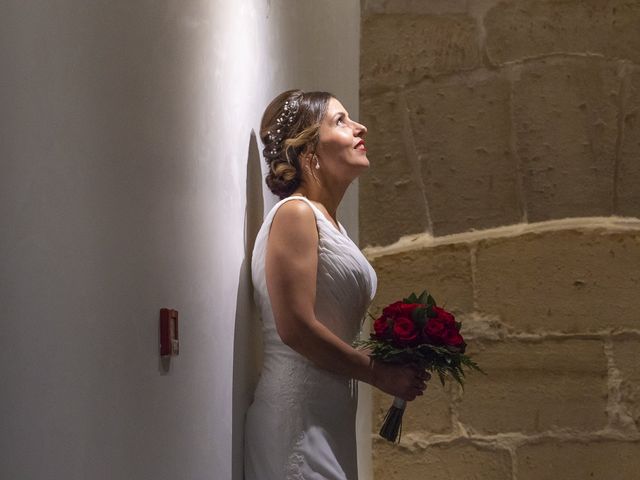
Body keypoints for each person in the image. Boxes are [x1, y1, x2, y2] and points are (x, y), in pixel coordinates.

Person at [244, 90, 429, 479]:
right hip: (298, 415)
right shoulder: (295, 214)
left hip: (330, 413)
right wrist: (379, 372)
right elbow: (295, 328)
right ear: (309, 151)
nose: (359, 127)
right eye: (340, 121)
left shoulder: (333, 225)